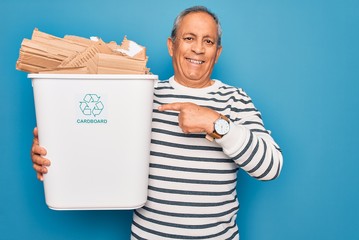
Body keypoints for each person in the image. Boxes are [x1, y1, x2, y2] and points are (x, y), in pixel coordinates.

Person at [31, 6, 283, 239]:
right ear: (171, 46)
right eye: (189, 38)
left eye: (208, 41)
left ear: (217, 53)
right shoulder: (141, 95)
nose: (198, 48)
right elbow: (97, 146)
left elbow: (270, 167)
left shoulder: (235, 100)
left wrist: (215, 123)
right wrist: (51, 154)